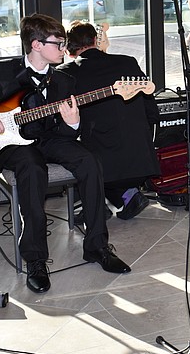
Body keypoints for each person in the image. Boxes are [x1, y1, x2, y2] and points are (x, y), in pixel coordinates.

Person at [0, 14, 130, 294]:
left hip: (49, 140)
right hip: (10, 144)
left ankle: (97, 246)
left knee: (89, 160)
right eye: (58, 43)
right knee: (32, 167)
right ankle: (36, 259)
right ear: (36, 45)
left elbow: (65, 135)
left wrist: (72, 123)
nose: (64, 49)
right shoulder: (2, 72)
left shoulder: (64, 80)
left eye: (65, 43)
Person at [60, 22, 159, 220]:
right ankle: (126, 195)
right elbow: (152, 109)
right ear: (96, 41)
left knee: (77, 146)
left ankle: (98, 204)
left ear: (70, 50)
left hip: (103, 166)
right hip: (142, 158)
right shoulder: (128, 61)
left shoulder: (66, 71)